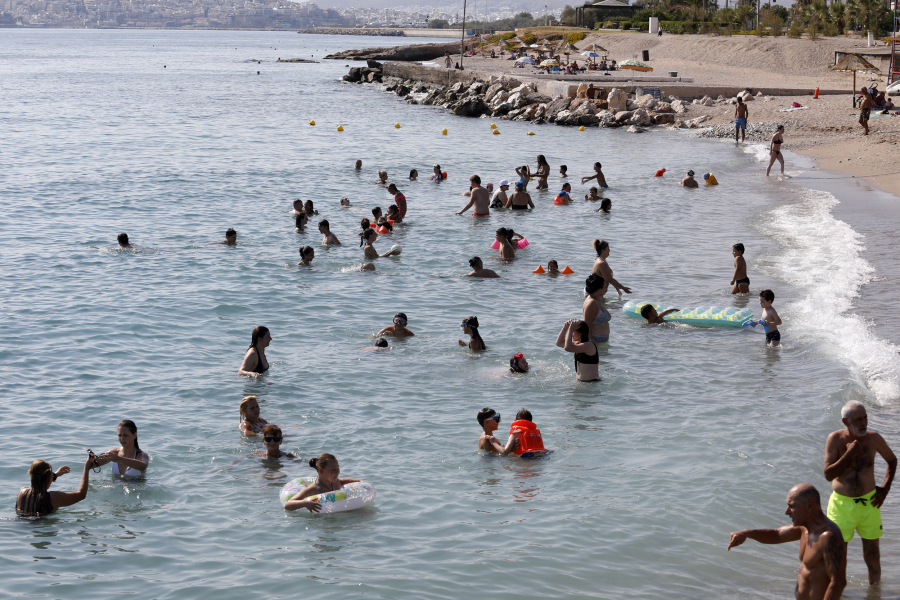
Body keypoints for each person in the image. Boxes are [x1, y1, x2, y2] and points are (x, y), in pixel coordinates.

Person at [727, 484, 847, 600]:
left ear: (810, 505)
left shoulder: (828, 537)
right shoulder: (804, 528)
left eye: (792, 506)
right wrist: (748, 533)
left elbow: (838, 582)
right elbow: (776, 535)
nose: (787, 511)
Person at [823, 400, 897, 585]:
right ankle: (837, 593)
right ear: (845, 421)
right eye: (858, 420)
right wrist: (849, 454)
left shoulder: (874, 439)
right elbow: (828, 474)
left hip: (870, 504)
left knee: (873, 555)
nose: (864, 423)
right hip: (841, 507)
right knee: (838, 555)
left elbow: (892, 460)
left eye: (865, 418)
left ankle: (875, 594)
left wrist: (885, 489)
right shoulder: (835, 439)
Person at [283, 454, 363, 512]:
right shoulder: (312, 490)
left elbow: (342, 481)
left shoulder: (335, 483)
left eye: (338, 468)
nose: (337, 472)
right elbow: (288, 504)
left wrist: (360, 481)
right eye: (333, 469)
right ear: (321, 470)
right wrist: (305, 503)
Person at [16, 456, 94, 516]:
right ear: (47, 477)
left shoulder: (22, 491)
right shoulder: (53, 497)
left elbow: (39, 481)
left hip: (21, 525)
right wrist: (87, 468)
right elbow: (81, 495)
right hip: (42, 528)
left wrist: (55, 475)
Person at [583, 274, 611, 343]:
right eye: (604, 287)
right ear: (598, 290)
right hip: (595, 341)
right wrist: (591, 341)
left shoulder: (599, 298)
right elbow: (586, 323)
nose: (606, 289)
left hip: (603, 341)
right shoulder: (591, 303)